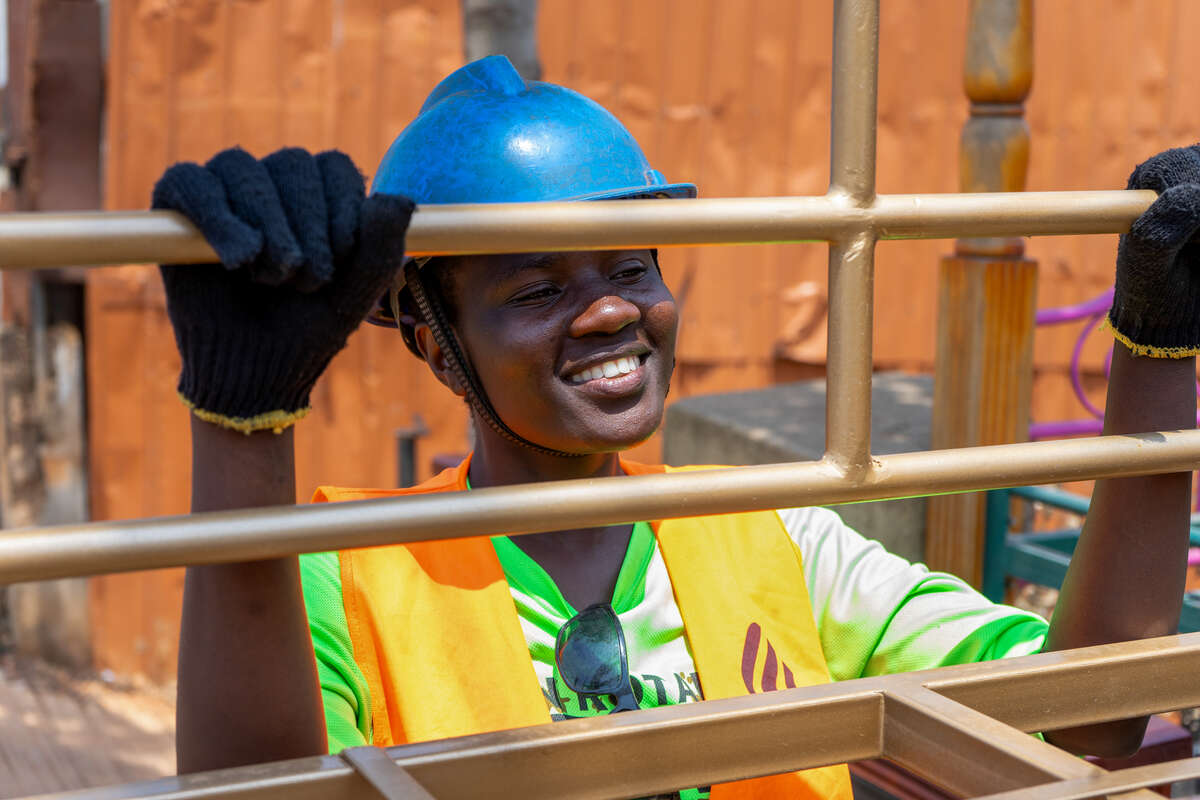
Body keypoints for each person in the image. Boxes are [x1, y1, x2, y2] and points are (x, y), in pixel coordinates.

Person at [152, 55, 1200, 799]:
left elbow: (1084, 715)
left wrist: (1157, 351)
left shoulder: (778, 537)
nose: (611, 309)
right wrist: (246, 423)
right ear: (433, 342)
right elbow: (254, 788)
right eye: (537, 289)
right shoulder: (346, 574)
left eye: (631, 266)